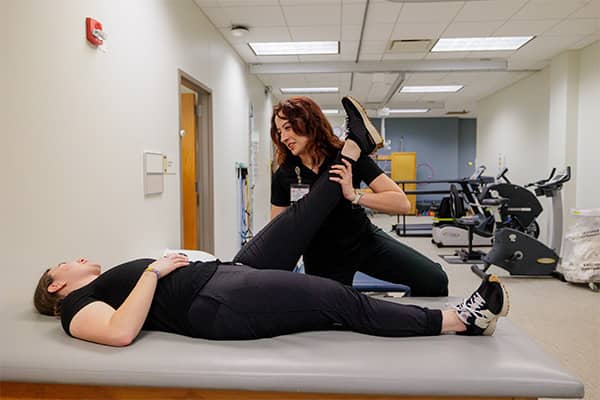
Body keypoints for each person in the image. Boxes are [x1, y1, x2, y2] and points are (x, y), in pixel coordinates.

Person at [33, 122, 509, 347]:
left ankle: (354, 145)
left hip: (220, 275)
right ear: (57, 284)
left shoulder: (92, 290)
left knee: (300, 218)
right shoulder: (75, 306)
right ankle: (460, 321)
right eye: (65, 263)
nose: (76, 258)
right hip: (216, 302)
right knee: (333, 298)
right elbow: (118, 333)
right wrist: (155, 272)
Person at [267, 96, 448, 296]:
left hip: (363, 241)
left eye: (287, 127)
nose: (283, 137)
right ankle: (358, 139)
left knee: (436, 281)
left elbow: (402, 203)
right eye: (279, 131)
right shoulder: (284, 174)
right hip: (321, 256)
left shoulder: (346, 159)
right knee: (329, 318)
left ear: (309, 122)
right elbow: (277, 229)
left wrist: (355, 195)